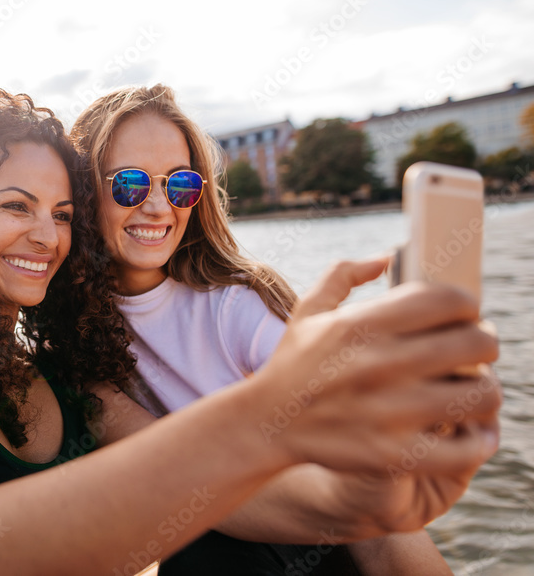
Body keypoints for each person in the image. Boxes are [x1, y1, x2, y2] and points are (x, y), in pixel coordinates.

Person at [0, 87, 500, 575]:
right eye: (16, 205)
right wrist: (268, 412)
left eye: (65, 213)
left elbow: (210, 489)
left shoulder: (57, 375)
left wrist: (367, 501)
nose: (47, 234)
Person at [69, 83, 484, 572]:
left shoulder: (232, 305)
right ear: (82, 190)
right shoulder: (74, 339)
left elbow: (356, 458)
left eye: (180, 184)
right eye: (130, 183)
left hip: (318, 531)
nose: (160, 207)